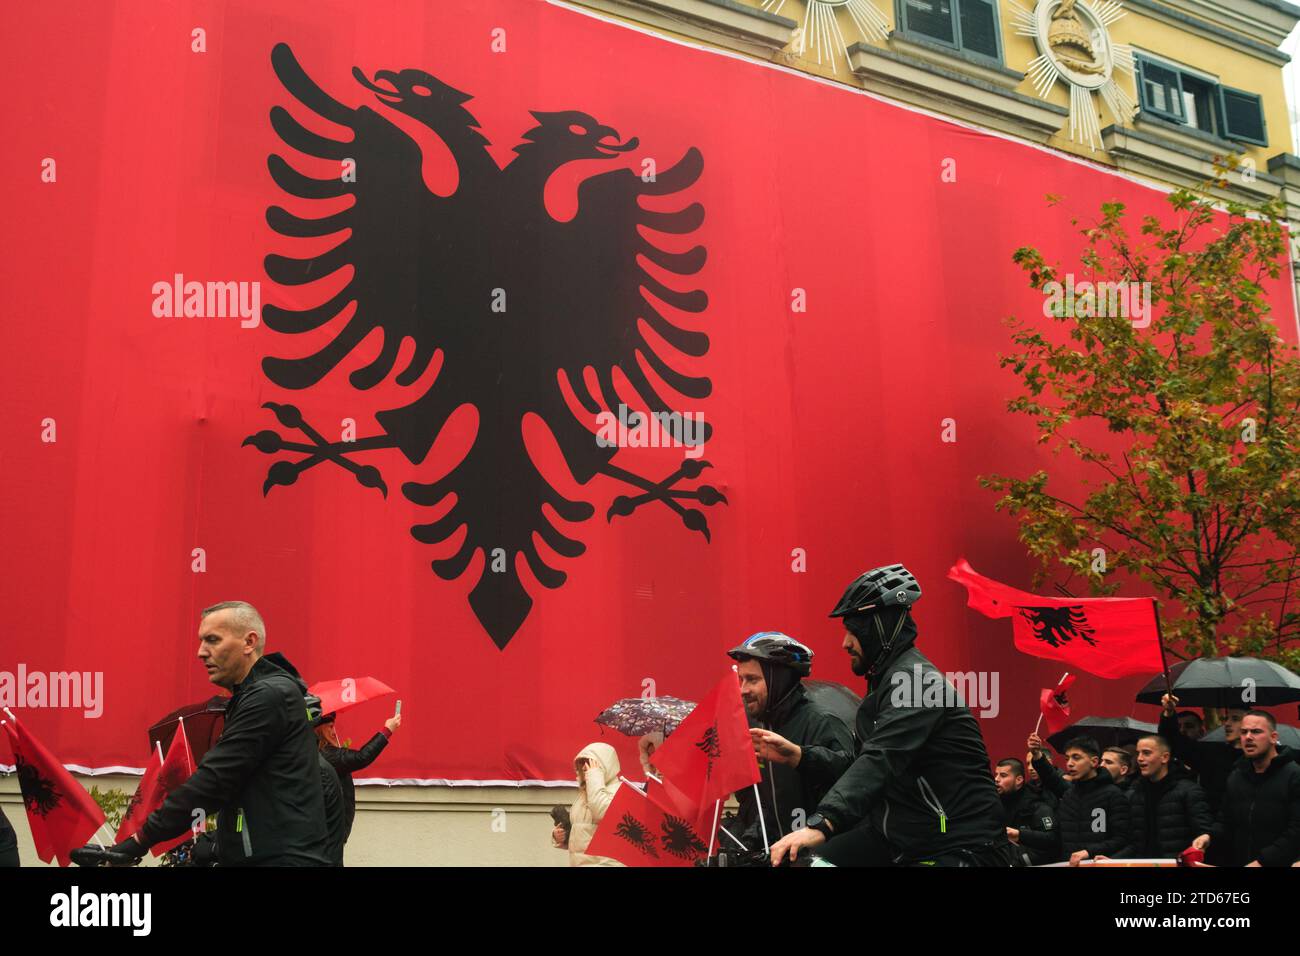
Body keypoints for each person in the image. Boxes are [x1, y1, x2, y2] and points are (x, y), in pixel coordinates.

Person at [769, 564, 1015, 867]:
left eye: (853, 631)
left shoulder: (918, 682)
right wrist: (801, 757)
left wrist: (823, 822)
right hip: (898, 839)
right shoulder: (885, 685)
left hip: (959, 844)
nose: (845, 643)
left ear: (879, 630)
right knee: (804, 864)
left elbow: (881, 758)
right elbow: (861, 763)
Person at [113, 601, 330, 866]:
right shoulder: (255, 695)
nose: (201, 653)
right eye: (201, 641)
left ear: (249, 642)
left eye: (213, 640)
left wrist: (139, 840)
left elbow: (214, 782)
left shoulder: (267, 696)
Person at [731, 632, 854, 850]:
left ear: (778, 680)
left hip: (822, 855)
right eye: (741, 680)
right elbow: (767, 806)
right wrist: (749, 841)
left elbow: (852, 783)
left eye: (752, 679)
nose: (743, 690)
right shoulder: (762, 723)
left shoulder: (822, 721)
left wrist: (799, 756)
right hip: (782, 854)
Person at [1193, 711, 1300, 867]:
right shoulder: (1236, 776)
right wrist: (1209, 836)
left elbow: (1296, 831)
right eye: (1244, 732)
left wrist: (1263, 861)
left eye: (1256, 731)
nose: (1248, 737)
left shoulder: (1294, 775)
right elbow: (1225, 820)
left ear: (1273, 737)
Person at [1029, 733, 1129, 866]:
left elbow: (1123, 839)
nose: (1069, 764)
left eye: (1076, 758)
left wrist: (1088, 852)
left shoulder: (1113, 795)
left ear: (1094, 762)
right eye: (1067, 759)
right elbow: (1056, 839)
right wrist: (1020, 835)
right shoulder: (1068, 796)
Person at [1108, 735, 1211, 860]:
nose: (1139, 758)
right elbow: (1134, 843)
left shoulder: (1188, 791)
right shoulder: (1134, 794)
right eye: (1138, 753)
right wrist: (1113, 860)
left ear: (1165, 757)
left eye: (1146, 753)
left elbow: (1203, 833)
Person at [317, 710, 401, 861]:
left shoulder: (321, 753)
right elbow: (362, 757)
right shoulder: (328, 754)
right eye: (329, 727)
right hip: (331, 835)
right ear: (320, 730)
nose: (333, 731)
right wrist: (387, 730)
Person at [1160, 694, 1246, 813]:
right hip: (1215, 822)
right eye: (1226, 719)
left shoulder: (1264, 758)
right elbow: (1173, 741)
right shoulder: (1211, 753)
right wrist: (1169, 712)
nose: (1227, 724)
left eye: (1235, 719)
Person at [563, 742, 623, 866]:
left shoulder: (620, 791)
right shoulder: (586, 793)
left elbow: (601, 813)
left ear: (605, 765)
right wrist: (562, 837)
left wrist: (595, 775)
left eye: (590, 764)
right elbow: (583, 831)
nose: (585, 769)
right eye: (582, 764)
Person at [995, 758, 1059, 865]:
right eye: (996, 775)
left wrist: (1020, 834)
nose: (996, 779)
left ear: (1019, 780)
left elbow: (1052, 839)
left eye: (1003, 775)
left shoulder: (1036, 804)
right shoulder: (995, 804)